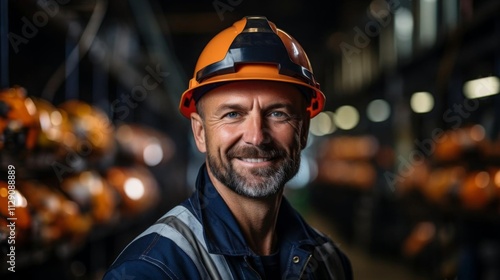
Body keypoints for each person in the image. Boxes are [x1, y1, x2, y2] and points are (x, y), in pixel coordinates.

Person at [104, 15, 353, 280]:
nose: (256, 137)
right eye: (233, 114)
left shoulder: (331, 264)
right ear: (200, 133)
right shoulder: (151, 270)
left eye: (278, 113)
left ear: (303, 130)